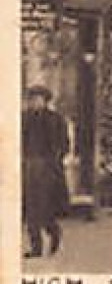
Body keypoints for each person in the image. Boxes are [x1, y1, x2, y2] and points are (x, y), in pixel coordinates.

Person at [23, 86, 69, 258]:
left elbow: (65, 144)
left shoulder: (56, 119)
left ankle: (54, 232)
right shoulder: (24, 119)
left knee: (46, 208)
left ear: (45, 100)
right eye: (32, 99)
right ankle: (36, 248)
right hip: (29, 167)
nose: (34, 102)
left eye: (38, 99)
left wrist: (55, 160)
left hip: (49, 169)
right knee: (30, 210)